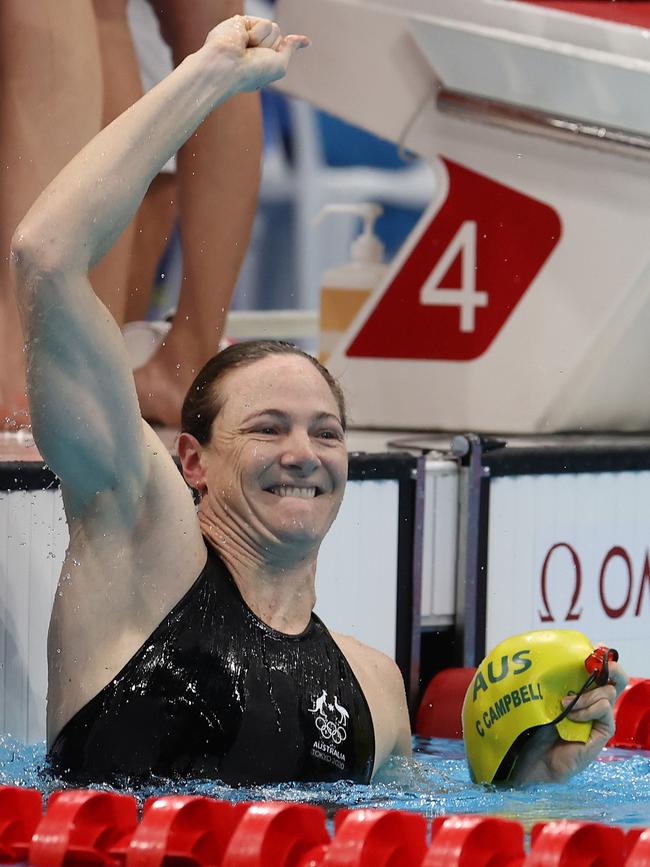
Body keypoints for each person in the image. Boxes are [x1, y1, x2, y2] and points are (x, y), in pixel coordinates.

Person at [11, 14, 626, 786]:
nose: (304, 453)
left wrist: (542, 778)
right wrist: (204, 80)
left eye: (326, 432)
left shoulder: (376, 692)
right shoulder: (141, 546)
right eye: (268, 428)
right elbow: (46, 256)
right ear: (192, 459)